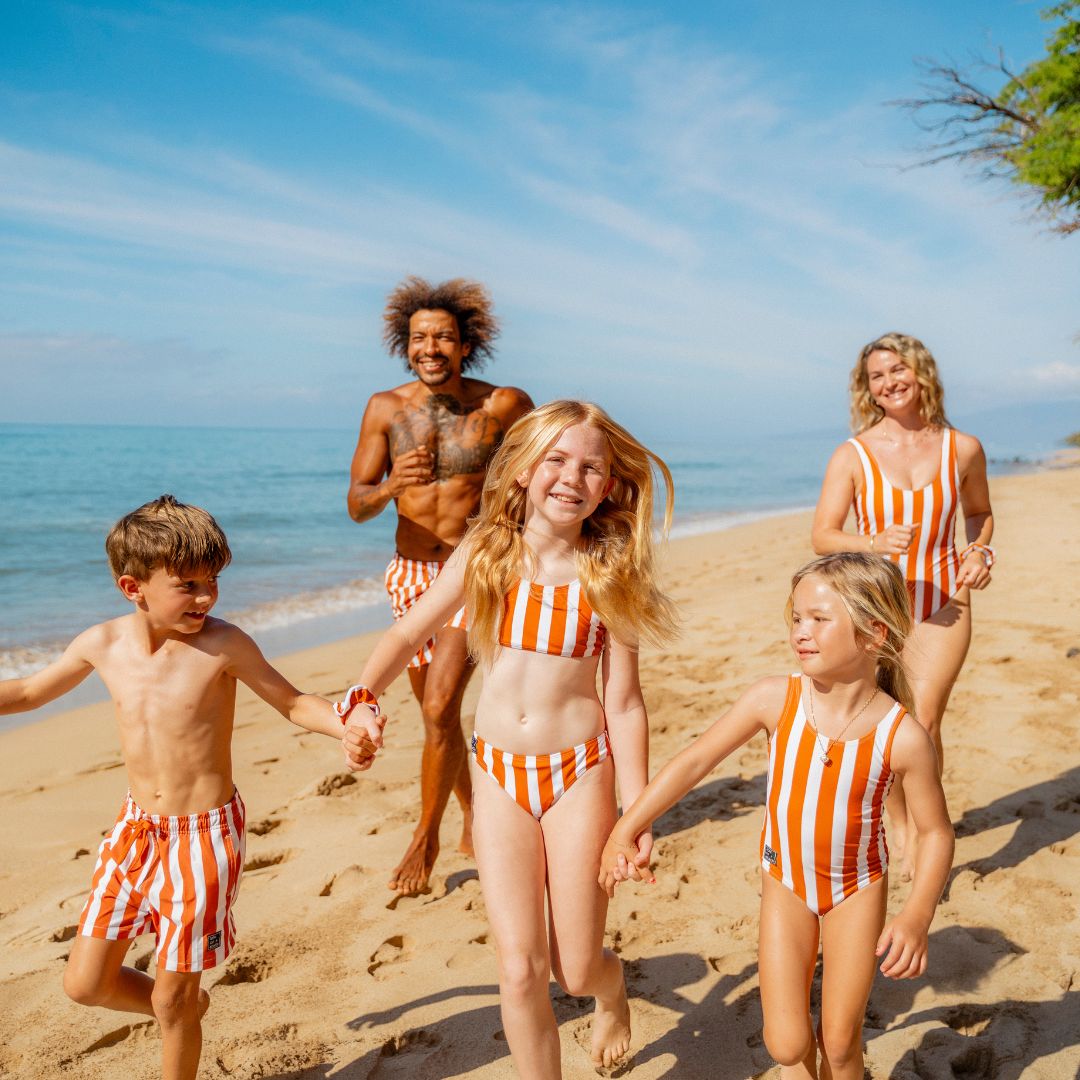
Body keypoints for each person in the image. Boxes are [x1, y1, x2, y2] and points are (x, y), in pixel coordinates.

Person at [339, 400, 678, 1074]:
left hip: (580, 775)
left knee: (575, 970)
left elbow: (626, 702)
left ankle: (611, 993)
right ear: (521, 470)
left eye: (591, 467)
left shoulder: (608, 575)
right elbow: (410, 631)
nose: (571, 477)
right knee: (521, 969)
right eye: (555, 459)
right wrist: (362, 695)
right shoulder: (487, 553)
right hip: (498, 776)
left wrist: (635, 812)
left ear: (608, 486)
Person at [0, 495, 378, 1080]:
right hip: (134, 831)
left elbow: (293, 701)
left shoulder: (223, 645)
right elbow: (25, 694)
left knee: (172, 1002)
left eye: (213, 581)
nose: (206, 597)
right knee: (85, 984)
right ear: (134, 587)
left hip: (202, 839)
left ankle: (178, 1011)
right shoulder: (101, 644)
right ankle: (182, 1005)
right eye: (189, 585)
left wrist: (344, 726)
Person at [600, 553, 954, 1080]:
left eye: (818, 618)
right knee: (786, 1044)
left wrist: (917, 916)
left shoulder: (901, 736)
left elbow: (936, 833)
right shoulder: (775, 699)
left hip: (856, 890)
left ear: (872, 634)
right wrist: (626, 826)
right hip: (785, 882)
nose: (800, 632)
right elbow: (695, 760)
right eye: (796, 618)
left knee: (838, 1042)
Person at [348, 276, 533, 897]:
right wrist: (392, 485)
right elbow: (356, 505)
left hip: (471, 571)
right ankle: (472, 812)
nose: (431, 348)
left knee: (435, 708)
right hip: (408, 575)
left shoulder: (503, 405)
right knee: (441, 719)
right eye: (420, 337)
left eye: (444, 338)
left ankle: (424, 838)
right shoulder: (384, 408)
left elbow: (542, 470)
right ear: (406, 345)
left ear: (465, 345)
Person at [810, 333, 993, 878]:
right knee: (888, 722)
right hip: (878, 607)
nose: (888, 383)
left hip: (945, 601)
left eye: (897, 370)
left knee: (924, 720)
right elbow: (822, 535)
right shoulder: (853, 454)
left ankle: (925, 837)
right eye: (876, 376)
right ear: (867, 388)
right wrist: (873, 543)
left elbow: (979, 514)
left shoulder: (962, 448)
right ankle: (899, 828)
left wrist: (982, 550)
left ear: (921, 373)